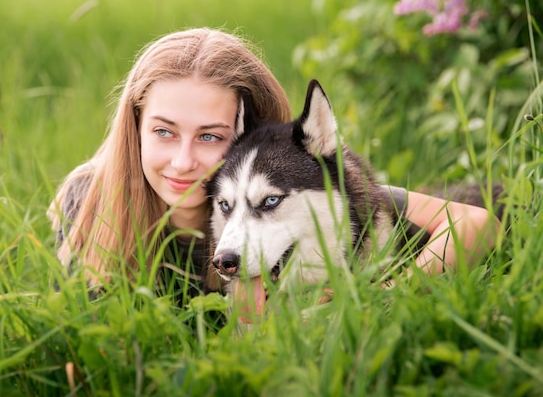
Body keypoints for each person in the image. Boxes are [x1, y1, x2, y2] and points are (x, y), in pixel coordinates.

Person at [48, 27, 500, 299]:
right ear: (136, 127)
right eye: (164, 131)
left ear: (246, 136)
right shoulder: (91, 202)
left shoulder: (273, 180)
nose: (183, 162)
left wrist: (381, 299)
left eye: (210, 136)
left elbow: (473, 223)